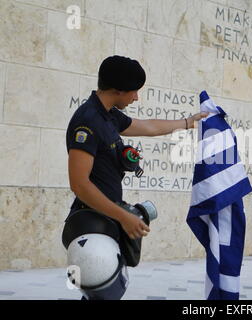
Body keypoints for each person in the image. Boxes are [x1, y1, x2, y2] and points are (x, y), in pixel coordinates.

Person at [65, 55, 207, 299]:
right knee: (103, 293)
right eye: (134, 92)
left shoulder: (107, 115)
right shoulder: (87, 122)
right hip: (90, 225)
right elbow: (79, 184)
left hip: (106, 220)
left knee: (106, 293)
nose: (136, 98)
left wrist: (187, 123)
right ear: (118, 90)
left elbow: (148, 127)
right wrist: (124, 217)